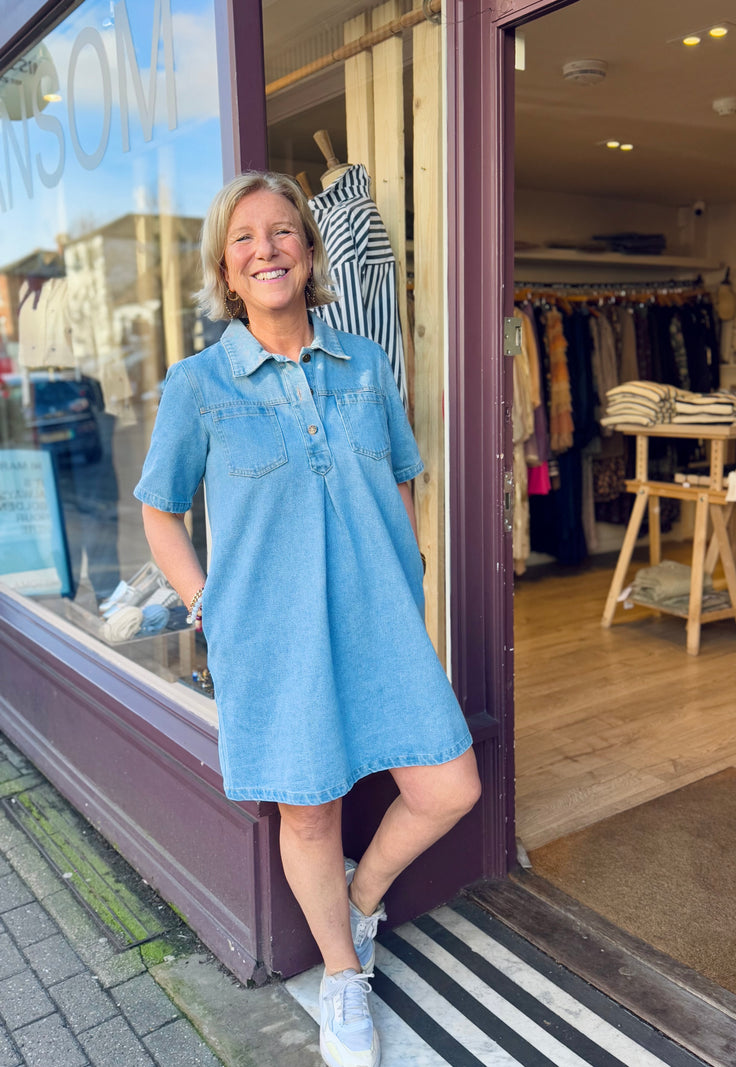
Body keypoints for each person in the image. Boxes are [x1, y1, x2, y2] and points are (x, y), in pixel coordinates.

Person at [133, 171, 480, 1067]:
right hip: (275, 635)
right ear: (227, 268)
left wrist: (410, 574)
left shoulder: (363, 363)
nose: (267, 247)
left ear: (309, 250)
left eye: (282, 231)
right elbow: (159, 510)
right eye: (246, 237)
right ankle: (342, 978)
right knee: (311, 814)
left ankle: (363, 901)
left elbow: (401, 476)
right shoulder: (197, 383)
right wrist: (207, 599)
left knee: (451, 786)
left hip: (383, 622)